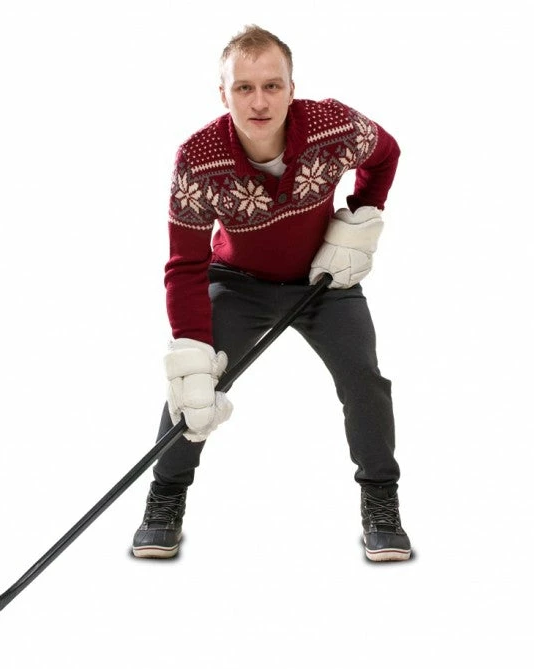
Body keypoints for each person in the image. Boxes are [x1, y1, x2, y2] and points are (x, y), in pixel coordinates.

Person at [131, 24, 410, 562]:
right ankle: (165, 496)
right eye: (244, 87)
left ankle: (381, 498)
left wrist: (360, 219)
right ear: (224, 94)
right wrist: (192, 347)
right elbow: (185, 265)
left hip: (323, 281)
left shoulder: (333, 126)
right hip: (238, 284)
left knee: (364, 379)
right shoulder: (197, 159)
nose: (259, 102)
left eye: (272, 86)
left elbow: (386, 153)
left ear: (291, 88)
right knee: (193, 385)